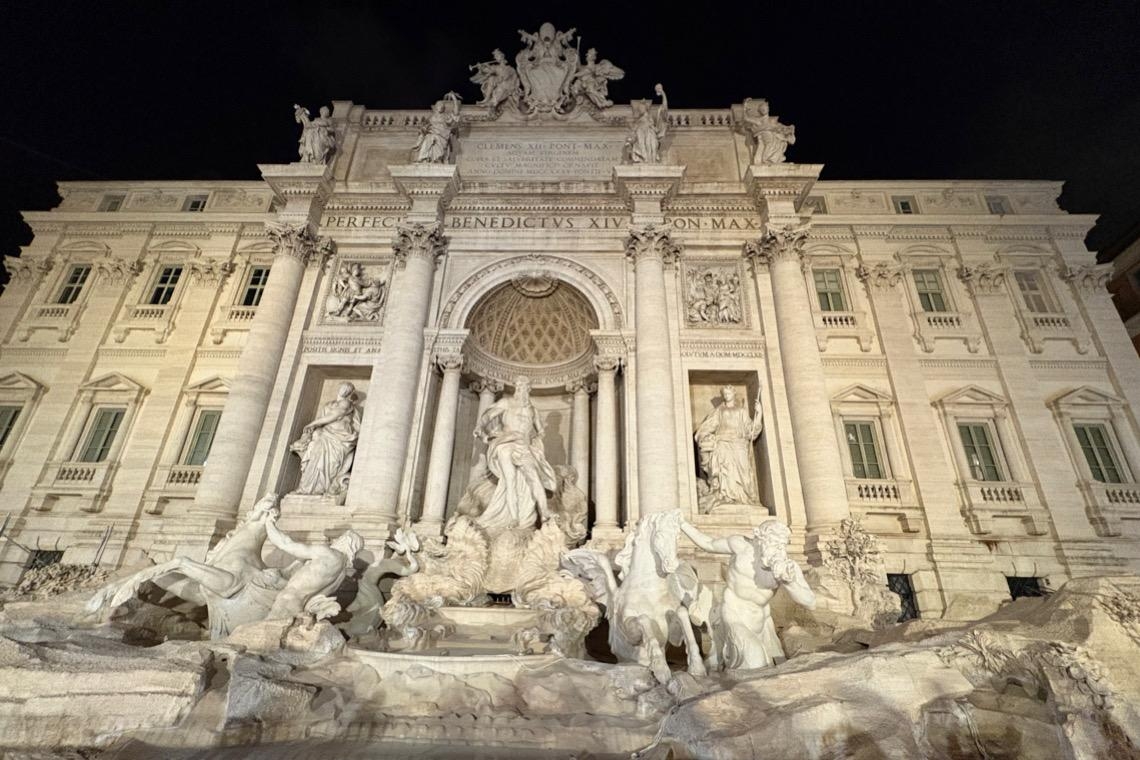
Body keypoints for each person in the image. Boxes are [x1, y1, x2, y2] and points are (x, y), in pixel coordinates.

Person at [679, 518, 815, 670]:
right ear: (759, 540)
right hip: (734, 616)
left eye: (782, 546)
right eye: (774, 545)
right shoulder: (740, 546)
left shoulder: (788, 567)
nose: (780, 551)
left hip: (763, 624)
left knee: (776, 668)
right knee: (755, 662)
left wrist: (790, 582)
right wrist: (682, 524)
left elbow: (810, 602)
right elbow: (708, 544)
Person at [472, 375, 557, 533]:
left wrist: (538, 439)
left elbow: (540, 431)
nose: (520, 389)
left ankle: (544, 512)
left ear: (528, 389)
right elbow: (488, 416)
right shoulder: (507, 403)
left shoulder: (533, 410)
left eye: (523, 386)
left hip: (524, 446)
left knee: (534, 477)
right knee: (509, 480)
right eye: (517, 386)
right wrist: (480, 427)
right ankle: (512, 517)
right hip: (506, 443)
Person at [264, 516, 363, 620]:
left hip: (287, 600)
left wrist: (269, 523)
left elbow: (286, 544)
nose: (335, 541)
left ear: (344, 541)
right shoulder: (342, 573)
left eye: (339, 539)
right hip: (301, 607)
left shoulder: (328, 554)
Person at [694, 386, 764, 511]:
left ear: (733, 394)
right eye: (724, 394)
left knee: (743, 472)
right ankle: (726, 497)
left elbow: (750, 430)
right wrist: (703, 435)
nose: (726, 396)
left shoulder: (741, 411)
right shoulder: (719, 411)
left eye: (728, 393)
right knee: (725, 471)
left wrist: (759, 414)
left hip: (739, 444)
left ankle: (743, 498)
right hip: (723, 444)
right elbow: (710, 425)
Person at [290, 383, 361, 497]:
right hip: (326, 435)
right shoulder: (329, 404)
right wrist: (314, 429)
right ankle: (307, 488)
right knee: (316, 460)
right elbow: (323, 418)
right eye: (344, 387)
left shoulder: (345, 403)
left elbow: (334, 415)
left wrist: (313, 423)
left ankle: (322, 489)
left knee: (330, 464)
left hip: (340, 439)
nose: (345, 390)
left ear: (350, 393)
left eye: (348, 389)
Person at [413, 94, 461, 164]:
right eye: (439, 105)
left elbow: (456, 114)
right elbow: (424, 127)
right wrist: (424, 130)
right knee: (428, 139)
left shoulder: (445, 116)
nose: (441, 107)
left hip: (442, 136)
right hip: (432, 134)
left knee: (434, 140)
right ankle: (424, 158)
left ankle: (436, 159)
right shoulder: (431, 117)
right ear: (436, 107)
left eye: (442, 106)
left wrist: (454, 99)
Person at [627, 84, 668, 163]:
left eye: (641, 108)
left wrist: (663, 93)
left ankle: (650, 160)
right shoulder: (638, 121)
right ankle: (645, 159)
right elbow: (633, 133)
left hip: (650, 134)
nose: (640, 110)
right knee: (641, 140)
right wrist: (629, 141)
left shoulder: (652, 116)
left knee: (651, 146)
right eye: (639, 109)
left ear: (646, 108)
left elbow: (664, 108)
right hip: (641, 136)